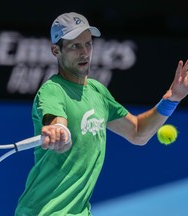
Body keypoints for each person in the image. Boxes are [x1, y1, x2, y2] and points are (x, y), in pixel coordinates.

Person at [15, 12, 188, 216]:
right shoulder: (52, 90)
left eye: (88, 44)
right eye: (74, 46)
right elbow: (55, 120)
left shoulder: (98, 91)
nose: (84, 52)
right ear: (56, 50)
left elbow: (138, 132)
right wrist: (57, 130)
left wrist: (172, 99)